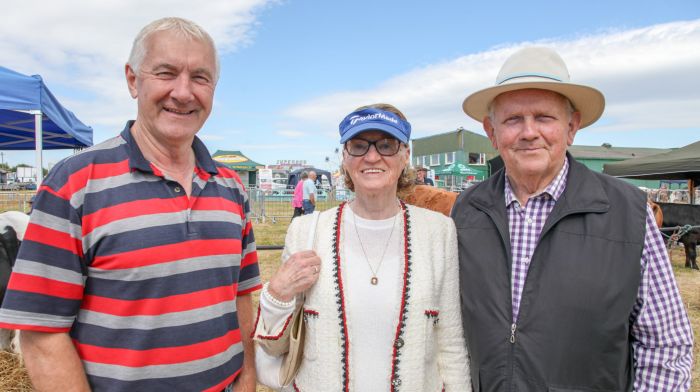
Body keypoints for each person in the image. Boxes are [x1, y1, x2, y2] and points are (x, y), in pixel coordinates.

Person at [0, 17, 261, 392]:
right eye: (166, 73)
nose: (184, 92)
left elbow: (240, 296)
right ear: (133, 80)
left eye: (200, 78)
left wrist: (247, 379)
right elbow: (42, 334)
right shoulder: (74, 184)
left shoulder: (232, 187)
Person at [453, 46, 693, 390]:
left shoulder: (627, 213)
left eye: (544, 117)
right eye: (513, 120)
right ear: (492, 132)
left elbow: (665, 346)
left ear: (572, 126)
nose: (528, 132)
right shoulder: (466, 210)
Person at [253, 103, 470, 390]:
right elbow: (274, 347)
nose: (371, 156)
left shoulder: (438, 231)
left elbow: (451, 344)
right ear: (345, 157)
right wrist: (277, 294)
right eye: (358, 146)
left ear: (405, 155)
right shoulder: (306, 232)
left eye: (386, 145)